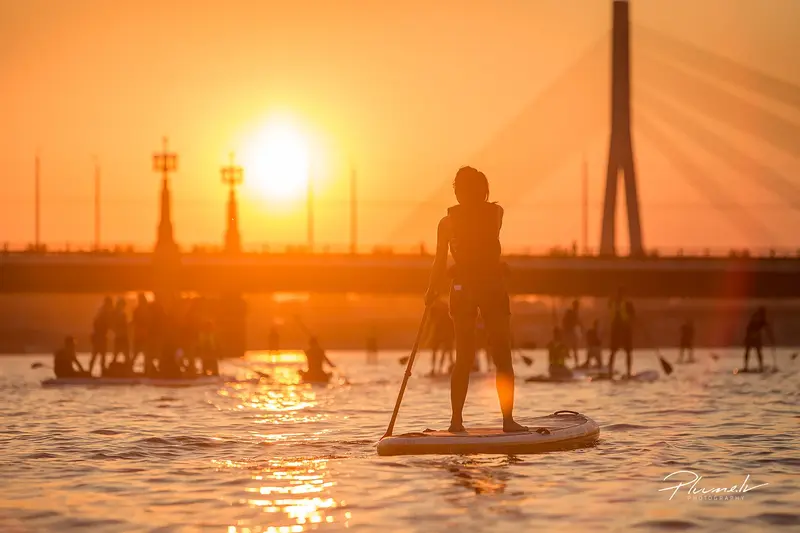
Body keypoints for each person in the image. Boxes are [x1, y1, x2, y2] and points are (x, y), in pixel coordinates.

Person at [424, 166, 525, 433]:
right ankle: (478, 421)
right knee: (481, 356)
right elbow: (443, 260)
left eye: (464, 188)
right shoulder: (488, 215)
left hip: (479, 287)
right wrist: (432, 289)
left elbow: (444, 261)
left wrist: (435, 286)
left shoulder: (457, 221)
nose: (461, 193)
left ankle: (487, 421)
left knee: (484, 356)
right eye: (460, 188)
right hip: (477, 288)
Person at [607, 288, 635, 378]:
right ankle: (627, 372)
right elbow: (633, 315)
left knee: (616, 352)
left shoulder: (614, 303)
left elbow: (632, 314)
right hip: (621, 329)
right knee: (624, 352)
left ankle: (612, 372)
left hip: (619, 329)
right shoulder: (625, 303)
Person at [88, 296, 114, 376]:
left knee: (100, 355)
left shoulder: (102, 311)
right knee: (97, 355)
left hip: (101, 336)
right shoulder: (103, 312)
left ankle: (98, 371)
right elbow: (102, 324)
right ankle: (93, 372)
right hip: (99, 337)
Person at [743, 307, 774, 372]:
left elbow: (767, 328)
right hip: (750, 336)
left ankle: (760, 366)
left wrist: (771, 339)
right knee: (748, 351)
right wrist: (750, 336)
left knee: (758, 352)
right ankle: (746, 367)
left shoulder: (762, 319)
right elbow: (749, 328)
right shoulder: (755, 317)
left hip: (756, 337)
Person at [131, 293, 150, 370]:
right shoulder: (140, 310)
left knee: (144, 353)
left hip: (142, 335)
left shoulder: (139, 309)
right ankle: (146, 368)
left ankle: (146, 368)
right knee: (140, 353)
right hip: (141, 335)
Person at [562, 300, 583, 365]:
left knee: (574, 348)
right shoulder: (571, 312)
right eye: (577, 306)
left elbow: (577, 322)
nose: (578, 307)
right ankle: (564, 362)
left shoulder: (574, 312)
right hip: (569, 332)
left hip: (571, 331)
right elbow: (575, 322)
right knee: (571, 348)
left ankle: (576, 363)